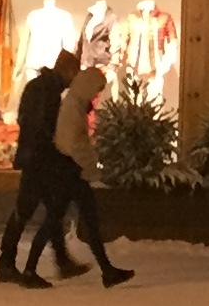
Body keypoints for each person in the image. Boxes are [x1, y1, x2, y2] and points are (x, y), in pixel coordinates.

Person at [28, 61, 134, 290]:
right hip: (70, 172)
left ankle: (107, 270)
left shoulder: (74, 105)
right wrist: (91, 168)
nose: (97, 95)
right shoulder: (73, 108)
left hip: (72, 171)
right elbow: (73, 145)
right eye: (96, 89)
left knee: (81, 219)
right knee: (58, 219)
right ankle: (30, 269)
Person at [0, 48, 78, 288]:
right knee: (33, 210)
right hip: (40, 160)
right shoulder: (49, 91)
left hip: (35, 157)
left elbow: (29, 121)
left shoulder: (40, 86)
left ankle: (17, 263)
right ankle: (11, 265)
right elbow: (43, 126)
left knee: (42, 210)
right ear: (66, 71)